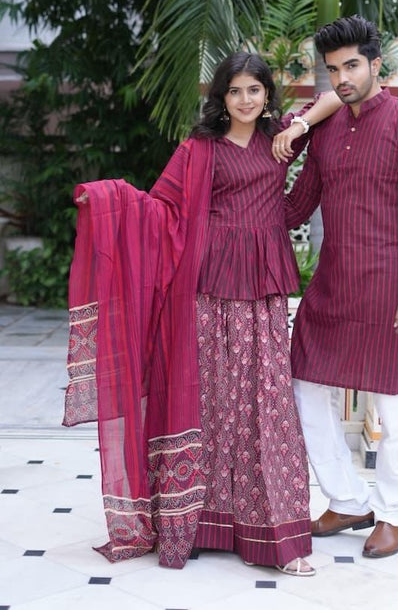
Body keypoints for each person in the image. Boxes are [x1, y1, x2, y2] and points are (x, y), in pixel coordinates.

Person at [63, 51, 342, 576]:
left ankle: (275, 536)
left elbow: (330, 98)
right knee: (210, 402)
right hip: (209, 286)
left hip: (263, 288)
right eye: (234, 91)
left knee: (265, 406)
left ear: (266, 96)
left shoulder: (278, 138)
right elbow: (161, 209)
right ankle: (198, 522)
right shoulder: (199, 150)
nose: (244, 100)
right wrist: (110, 203)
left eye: (254, 91)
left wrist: (299, 124)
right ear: (221, 97)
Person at [280, 14, 398, 558]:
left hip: (391, 293)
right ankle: (348, 499)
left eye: (352, 65)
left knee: (392, 409)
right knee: (307, 387)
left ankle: (394, 514)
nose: (342, 77)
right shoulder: (327, 129)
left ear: (376, 64)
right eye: (332, 70)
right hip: (331, 287)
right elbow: (296, 206)